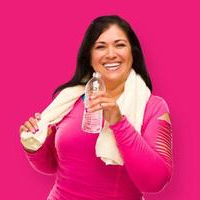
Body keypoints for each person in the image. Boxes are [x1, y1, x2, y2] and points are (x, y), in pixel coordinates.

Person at [19, 15, 172, 200]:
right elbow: (50, 166)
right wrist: (35, 146)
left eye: (120, 45)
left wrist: (118, 122)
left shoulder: (153, 107)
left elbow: (155, 181)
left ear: (133, 53)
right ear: (90, 57)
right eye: (100, 46)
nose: (110, 54)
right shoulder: (68, 99)